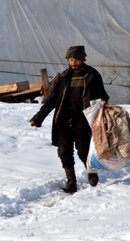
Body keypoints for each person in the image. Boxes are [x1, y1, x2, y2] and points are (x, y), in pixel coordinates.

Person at [30, 45, 109, 193]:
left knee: (83, 150)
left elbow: (103, 96)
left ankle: (91, 171)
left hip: (83, 120)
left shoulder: (92, 76)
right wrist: (37, 118)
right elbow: (51, 101)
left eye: (76, 60)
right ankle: (71, 182)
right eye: (71, 60)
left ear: (82, 60)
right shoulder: (63, 77)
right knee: (64, 152)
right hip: (63, 120)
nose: (73, 63)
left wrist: (102, 106)